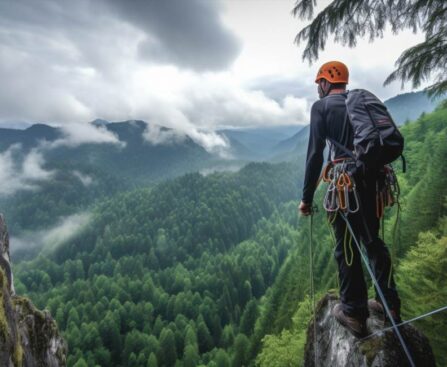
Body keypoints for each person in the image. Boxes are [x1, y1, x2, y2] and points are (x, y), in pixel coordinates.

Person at [298, 61, 401, 338]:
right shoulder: (359, 102)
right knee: (372, 242)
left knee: (347, 247)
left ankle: (354, 312)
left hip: (345, 184)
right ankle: (388, 304)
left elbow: (315, 155)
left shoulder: (321, 108)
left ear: (325, 82)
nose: (318, 88)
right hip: (372, 179)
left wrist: (306, 198)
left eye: (319, 82)